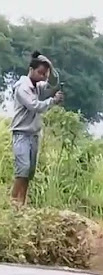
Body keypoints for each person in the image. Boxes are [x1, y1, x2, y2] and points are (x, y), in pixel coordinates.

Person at [11, 51, 64, 205]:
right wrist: (52, 101)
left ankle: (22, 203)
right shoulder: (23, 87)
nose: (43, 76)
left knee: (29, 172)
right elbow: (35, 106)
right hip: (21, 133)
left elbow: (53, 82)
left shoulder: (37, 86)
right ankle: (13, 202)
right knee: (23, 169)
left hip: (33, 134)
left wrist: (51, 66)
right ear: (31, 70)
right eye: (40, 73)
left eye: (44, 74)